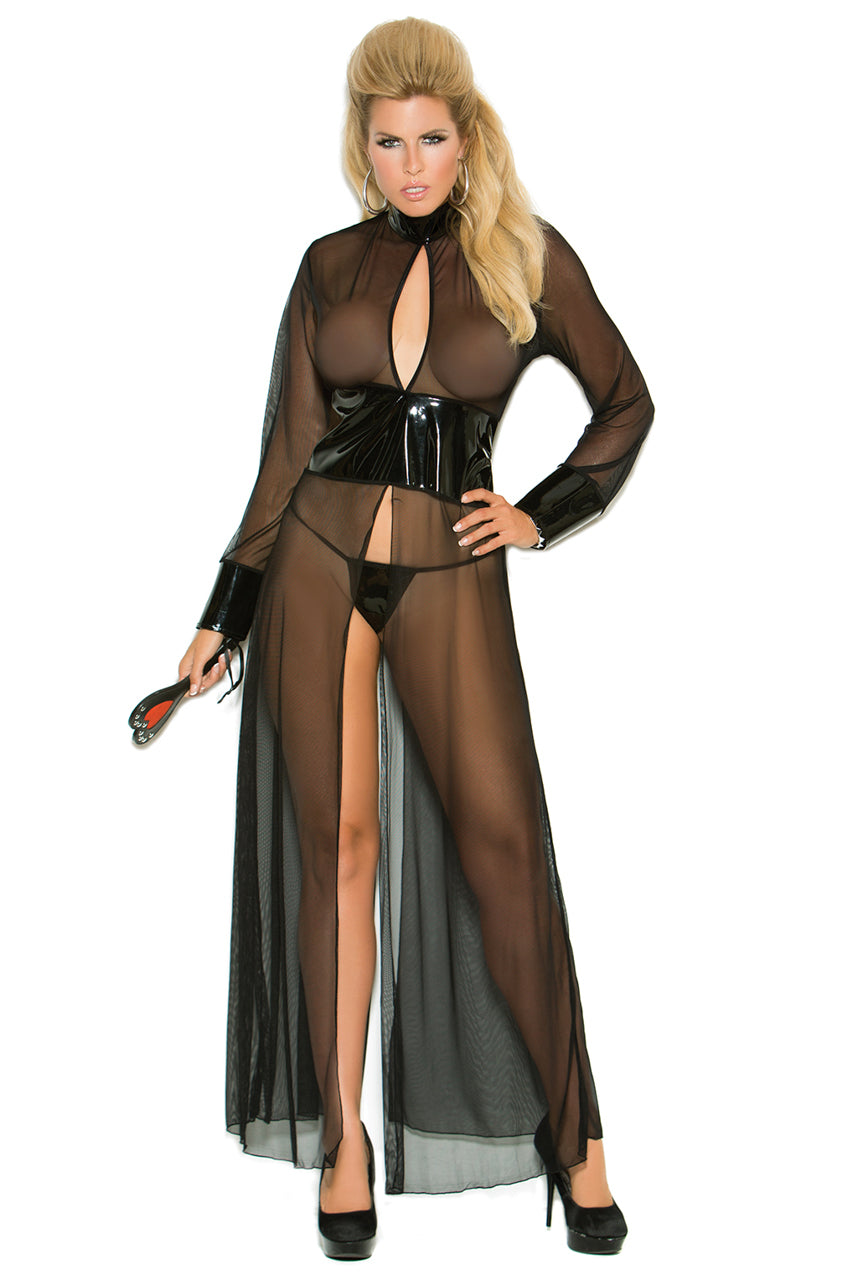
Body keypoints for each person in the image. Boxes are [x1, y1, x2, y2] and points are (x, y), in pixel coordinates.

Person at [177, 16, 653, 1262]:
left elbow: (625, 403)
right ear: (362, 144)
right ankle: (344, 1140)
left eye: (430, 138)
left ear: (466, 134)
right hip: (316, 566)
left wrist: (542, 512)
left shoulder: (526, 258)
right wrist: (221, 613)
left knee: (502, 845)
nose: (410, 164)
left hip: (450, 573)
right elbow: (285, 452)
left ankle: (577, 1132)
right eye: (387, 142)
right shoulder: (327, 265)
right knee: (337, 847)